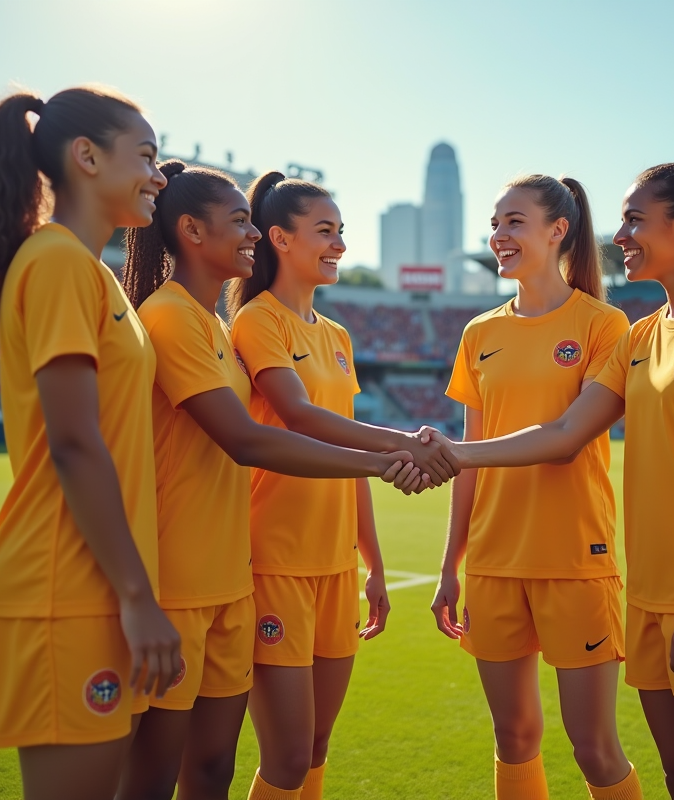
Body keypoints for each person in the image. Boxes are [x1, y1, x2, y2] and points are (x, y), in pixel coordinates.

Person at [426, 165, 674, 799]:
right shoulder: (637, 336)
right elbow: (540, 436)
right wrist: (454, 507)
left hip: (664, 585)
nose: (621, 234)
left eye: (635, 220)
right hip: (631, 588)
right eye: (494, 223)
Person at [114, 160, 422, 800]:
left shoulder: (224, 331)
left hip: (237, 575)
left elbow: (320, 427)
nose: (251, 234)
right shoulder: (183, 317)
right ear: (193, 231)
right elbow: (255, 436)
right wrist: (395, 455)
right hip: (202, 573)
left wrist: (372, 556)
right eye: (240, 224)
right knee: (160, 772)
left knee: (220, 767)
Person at [0, 86, 181, 800]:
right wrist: (138, 596)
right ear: (87, 157)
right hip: (61, 590)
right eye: (147, 156)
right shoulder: (59, 262)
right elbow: (74, 443)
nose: (159, 175)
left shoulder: (91, 272)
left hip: (92, 587)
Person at [226, 171, 459, 800]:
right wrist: (404, 446)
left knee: (317, 747)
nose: (339, 246)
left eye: (340, 233)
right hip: (274, 561)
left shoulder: (336, 336)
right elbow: (299, 416)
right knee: (287, 756)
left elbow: (345, 443)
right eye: (325, 232)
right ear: (279, 237)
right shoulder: (257, 321)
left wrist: (373, 565)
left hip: (334, 570)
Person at [427, 175, 640, 800]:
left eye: (514, 222)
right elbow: (466, 466)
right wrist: (450, 567)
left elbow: (566, 438)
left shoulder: (606, 325)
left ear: (558, 231)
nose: (499, 235)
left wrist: (454, 452)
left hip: (574, 561)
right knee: (513, 738)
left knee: (594, 747)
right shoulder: (479, 334)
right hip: (494, 565)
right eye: (495, 224)